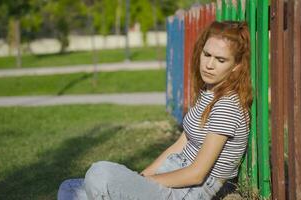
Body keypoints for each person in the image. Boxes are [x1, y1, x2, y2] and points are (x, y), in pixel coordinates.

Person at [57, 20, 252, 200]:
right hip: (172, 173)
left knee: (100, 174)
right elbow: (179, 145)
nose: (209, 65)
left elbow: (197, 173)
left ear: (236, 65)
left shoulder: (228, 106)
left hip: (187, 191)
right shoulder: (209, 92)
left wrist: (144, 183)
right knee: (69, 188)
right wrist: (140, 177)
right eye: (207, 55)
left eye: (220, 60)